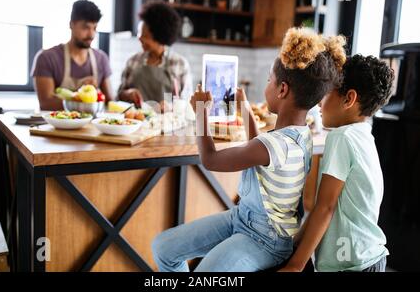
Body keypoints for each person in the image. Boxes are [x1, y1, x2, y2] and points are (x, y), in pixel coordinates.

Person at [151, 28, 346, 272]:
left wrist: (201, 111)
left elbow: (210, 160)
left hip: (265, 240)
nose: (267, 85)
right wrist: (244, 110)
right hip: (242, 218)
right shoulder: (301, 134)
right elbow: (262, 153)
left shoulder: (275, 145)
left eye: (268, 81)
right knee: (163, 248)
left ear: (282, 90)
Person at [279, 55, 394, 272]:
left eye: (328, 91)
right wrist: (294, 245)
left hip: (349, 264)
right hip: (370, 257)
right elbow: (323, 206)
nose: (320, 101)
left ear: (348, 98)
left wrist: (295, 266)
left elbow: (325, 207)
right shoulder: (363, 135)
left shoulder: (342, 138)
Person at [31, 0, 115, 110]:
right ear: (71, 24)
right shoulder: (46, 58)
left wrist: (95, 93)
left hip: (92, 126)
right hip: (58, 126)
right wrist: (82, 96)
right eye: (85, 27)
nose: (91, 34)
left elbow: (110, 101)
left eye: (94, 28)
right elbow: (46, 103)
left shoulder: (101, 59)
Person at [117, 1, 193, 109]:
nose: (140, 38)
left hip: (167, 123)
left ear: (160, 37)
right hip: (135, 122)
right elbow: (119, 95)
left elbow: (187, 102)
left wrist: (170, 107)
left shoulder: (179, 64)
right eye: (139, 33)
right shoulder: (133, 61)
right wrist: (127, 93)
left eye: (145, 35)